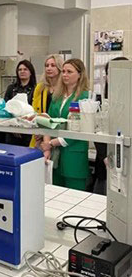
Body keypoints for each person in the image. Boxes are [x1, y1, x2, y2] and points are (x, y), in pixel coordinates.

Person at [40, 58, 90, 190]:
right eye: (63, 71)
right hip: (55, 155)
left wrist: (52, 143)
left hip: (73, 155)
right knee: (55, 194)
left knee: (75, 196)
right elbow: (48, 121)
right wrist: (47, 147)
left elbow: (80, 129)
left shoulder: (85, 97)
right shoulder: (57, 96)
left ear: (79, 75)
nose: (65, 75)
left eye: (69, 72)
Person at [91, 57, 129, 194]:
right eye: (109, 73)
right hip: (105, 164)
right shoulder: (101, 101)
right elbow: (96, 130)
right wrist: (105, 158)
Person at [30, 55, 64, 148]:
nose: (49, 68)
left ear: (60, 68)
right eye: (47, 65)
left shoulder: (64, 88)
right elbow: (34, 110)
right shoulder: (40, 87)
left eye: (53, 65)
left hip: (58, 132)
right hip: (40, 130)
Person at [2, 60, 37, 147]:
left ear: (31, 72)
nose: (22, 71)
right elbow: (5, 108)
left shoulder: (36, 89)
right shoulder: (11, 88)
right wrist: (14, 126)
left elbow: (36, 110)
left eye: (25, 69)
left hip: (29, 131)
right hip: (11, 131)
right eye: (20, 69)